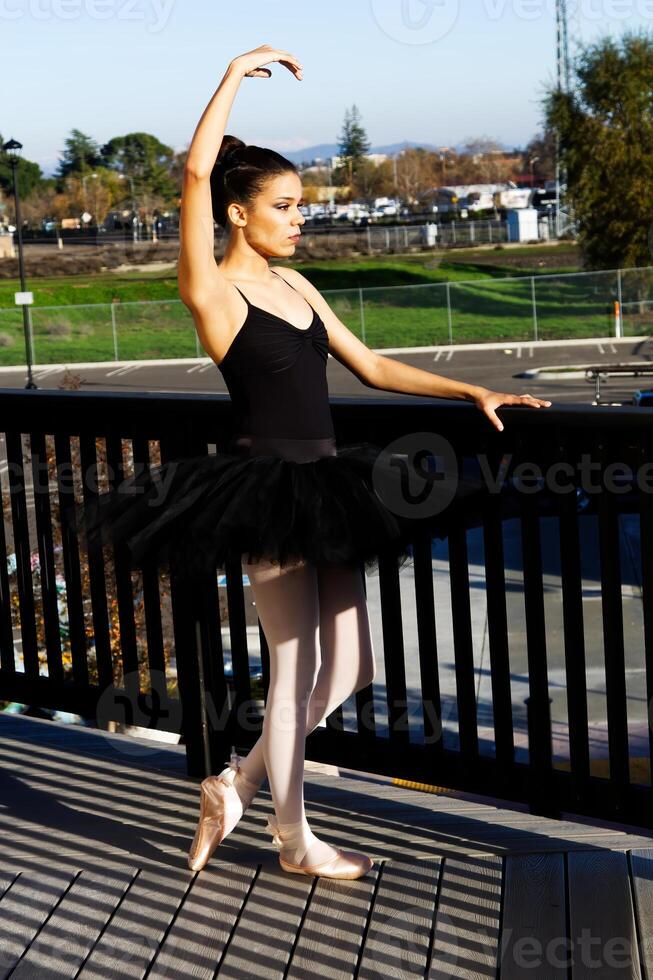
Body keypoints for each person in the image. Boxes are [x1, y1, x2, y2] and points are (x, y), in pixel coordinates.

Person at [81, 45, 552, 881]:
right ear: (238, 215)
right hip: (264, 492)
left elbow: (370, 367)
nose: (301, 220)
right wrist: (230, 77)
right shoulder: (213, 293)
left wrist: (468, 394)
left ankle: (234, 783)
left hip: (331, 484)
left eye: (303, 206)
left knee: (354, 664)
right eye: (287, 207)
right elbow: (193, 176)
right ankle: (292, 838)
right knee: (293, 670)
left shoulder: (298, 290)